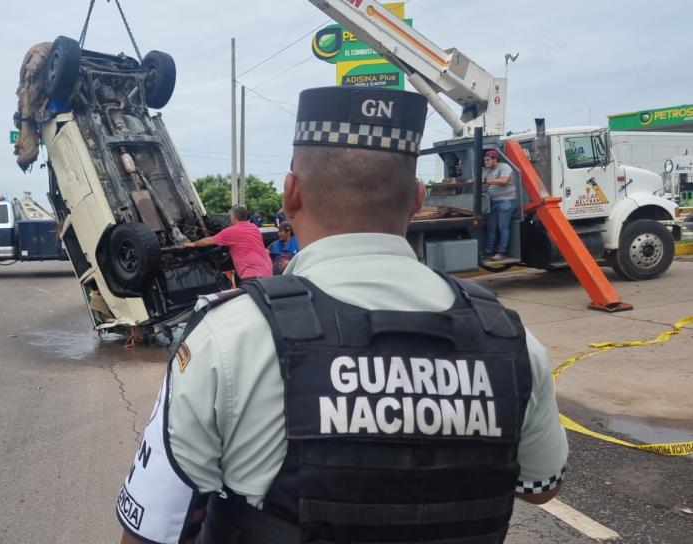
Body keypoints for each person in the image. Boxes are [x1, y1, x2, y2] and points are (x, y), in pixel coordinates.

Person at [117, 87, 567, 544]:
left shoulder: (230, 337)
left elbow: (153, 527)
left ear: (290, 194)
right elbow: (541, 487)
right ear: (416, 197)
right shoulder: (511, 341)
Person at [183, 205, 272, 281]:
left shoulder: (231, 231)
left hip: (252, 275)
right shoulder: (254, 228)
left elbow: (207, 241)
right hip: (268, 271)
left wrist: (193, 244)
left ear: (233, 217)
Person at [482, 149, 517, 262]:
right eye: (484, 160)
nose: (485, 162)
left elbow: (504, 180)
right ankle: (489, 251)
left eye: (487, 160)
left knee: (503, 227)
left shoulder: (504, 167)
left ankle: (501, 252)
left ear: (495, 159)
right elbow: (483, 181)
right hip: (493, 201)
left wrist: (485, 181)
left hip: (506, 201)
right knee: (491, 226)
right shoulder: (488, 170)